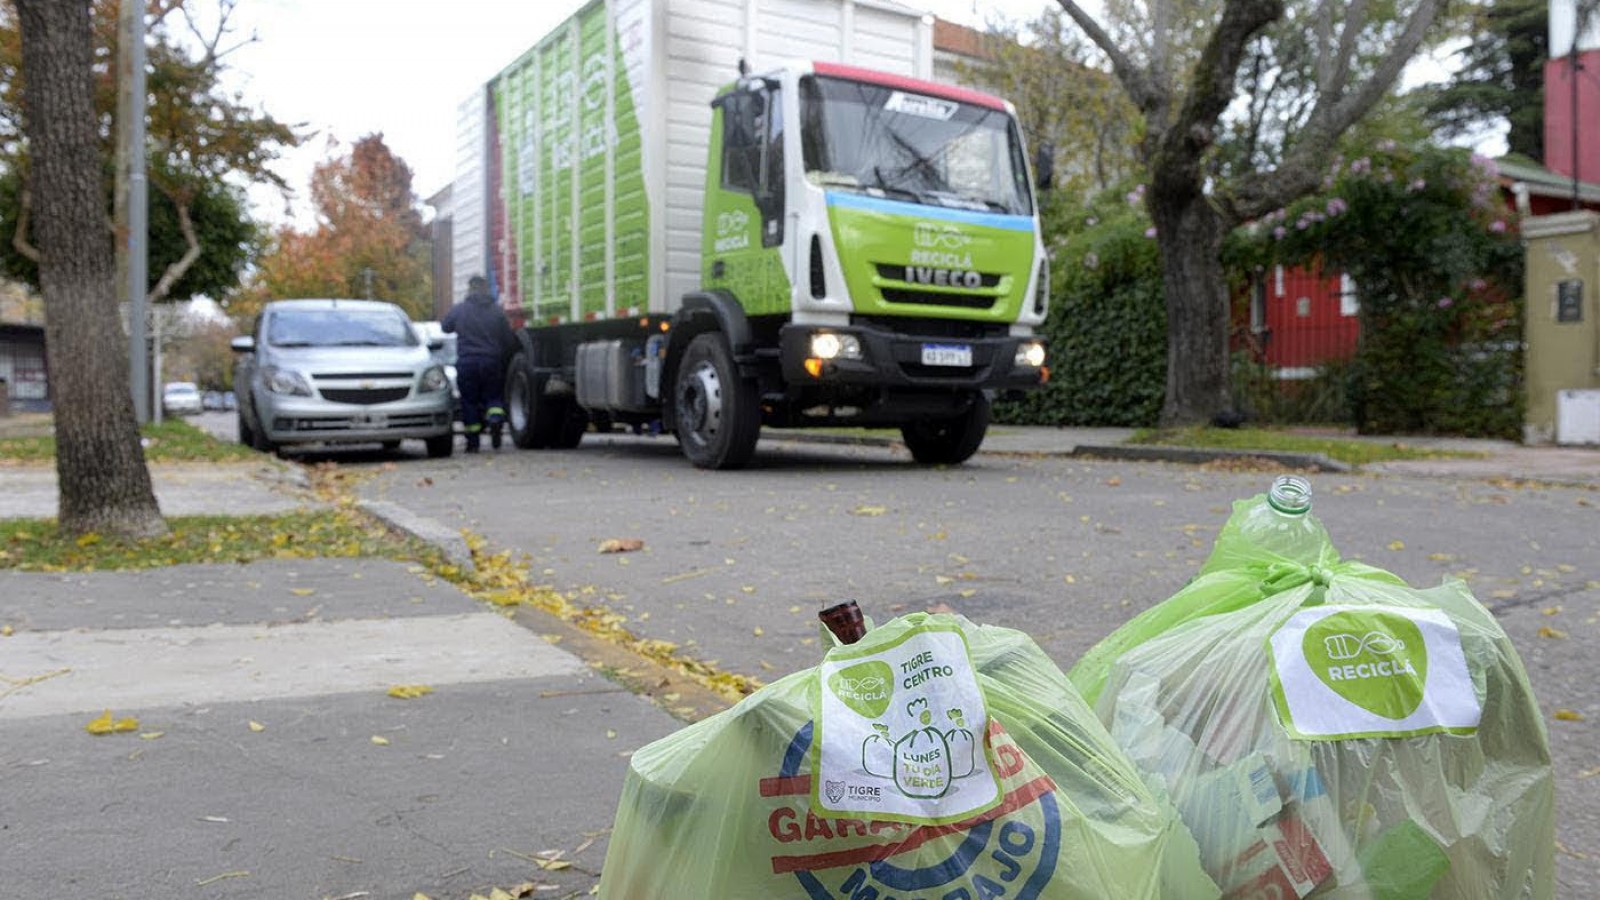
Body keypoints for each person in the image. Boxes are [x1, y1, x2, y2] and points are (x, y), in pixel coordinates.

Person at [442, 275, 517, 452]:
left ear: (470, 289)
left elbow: (445, 327)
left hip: (467, 362)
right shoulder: (497, 311)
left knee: (469, 401)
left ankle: (473, 442)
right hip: (491, 361)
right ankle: (496, 421)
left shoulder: (460, 310)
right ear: (485, 288)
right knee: (493, 397)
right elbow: (508, 339)